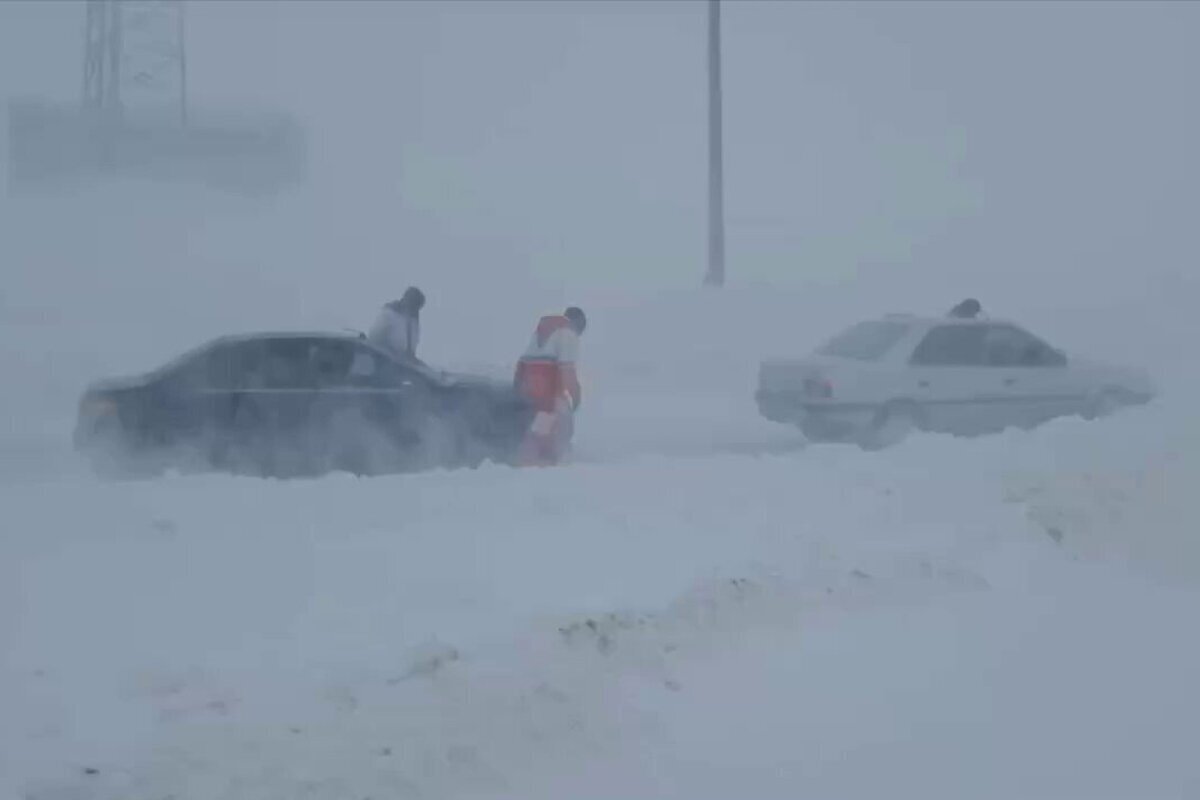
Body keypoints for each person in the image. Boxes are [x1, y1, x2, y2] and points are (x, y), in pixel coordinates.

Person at [513, 306, 587, 466]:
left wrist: (518, 390)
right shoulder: (568, 333)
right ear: (579, 324)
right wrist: (576, 396)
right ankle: (550, 463)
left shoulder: (541, 333)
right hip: (547, 391)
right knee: (562, 420)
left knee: (541, 424)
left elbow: (522, 364)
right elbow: (567, 371)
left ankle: (528, 458)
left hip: (529, 387)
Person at [369, 287, 425, 361]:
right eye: (412, 303)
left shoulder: (414, 324)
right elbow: (374, 337)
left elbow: (411, 350)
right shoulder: (389, 315)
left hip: (400, 364)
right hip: (381, 358)